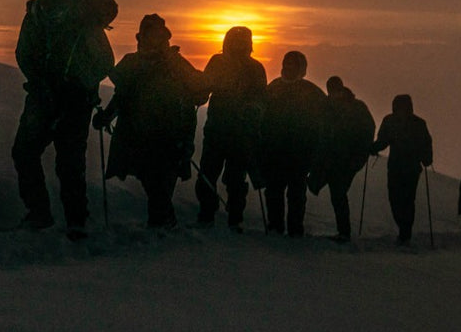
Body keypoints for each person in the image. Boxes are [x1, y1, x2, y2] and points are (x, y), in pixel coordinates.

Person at [11, 0, 117, 238]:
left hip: (73, 102)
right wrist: (40, 82)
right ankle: (42, 215)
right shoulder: (35, 15)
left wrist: (78, 86)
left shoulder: (83, 19)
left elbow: (104, 60)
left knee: (68, 162)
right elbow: (24, 53)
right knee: (25, 152)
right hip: (44, 97)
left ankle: (74, 221)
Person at [92, 14, 207, 229]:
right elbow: (123, 96)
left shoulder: (167, 63)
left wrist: (107, 116)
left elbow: (197, 91)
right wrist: (107, 115)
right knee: (154, 181)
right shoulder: (145, 62)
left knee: (158, 182)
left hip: (167, 136)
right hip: (147, 136)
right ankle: (162, 225)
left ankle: (160, 226)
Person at [195, 26, 267, 231]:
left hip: (229, 131)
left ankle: (216, 215)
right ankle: (226, 217)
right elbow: (206, 85)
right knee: (223, 177)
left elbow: (260, 98)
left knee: (222, 176)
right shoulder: (251, 67)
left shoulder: (223, 63)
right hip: (229, 131)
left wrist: (198, 94)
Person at [259, 51, 327, 237]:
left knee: (296, 194)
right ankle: (275, 227)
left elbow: (325, 122)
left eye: (293, 64)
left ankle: (295, 229)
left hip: (300, 154)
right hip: (275, 151)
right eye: (286, 63)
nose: (288, 67)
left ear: (301, 68)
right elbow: (261, 117)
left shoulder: (312, 93)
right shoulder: (273, 89)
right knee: (274, 191)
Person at [310, 76, 375, 242]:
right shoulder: (328, 107)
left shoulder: (356, 108)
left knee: (338, 193)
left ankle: (344, 232)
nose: (333, 93)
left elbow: (367, 130)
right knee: (337, 194)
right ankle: (343, 231)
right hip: (332, 158)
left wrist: (360, 153)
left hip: (347, 160)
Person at [370, 94, 433, 245]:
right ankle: (404, 228)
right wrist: (373, 147)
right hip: (396, 167)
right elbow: (383, 141)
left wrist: (427, 158)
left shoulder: (417, 123)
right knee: (395, 199)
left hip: (409, 168)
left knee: (407, 199)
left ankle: (405, 233)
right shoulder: (391, 121)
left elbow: (426, 143)